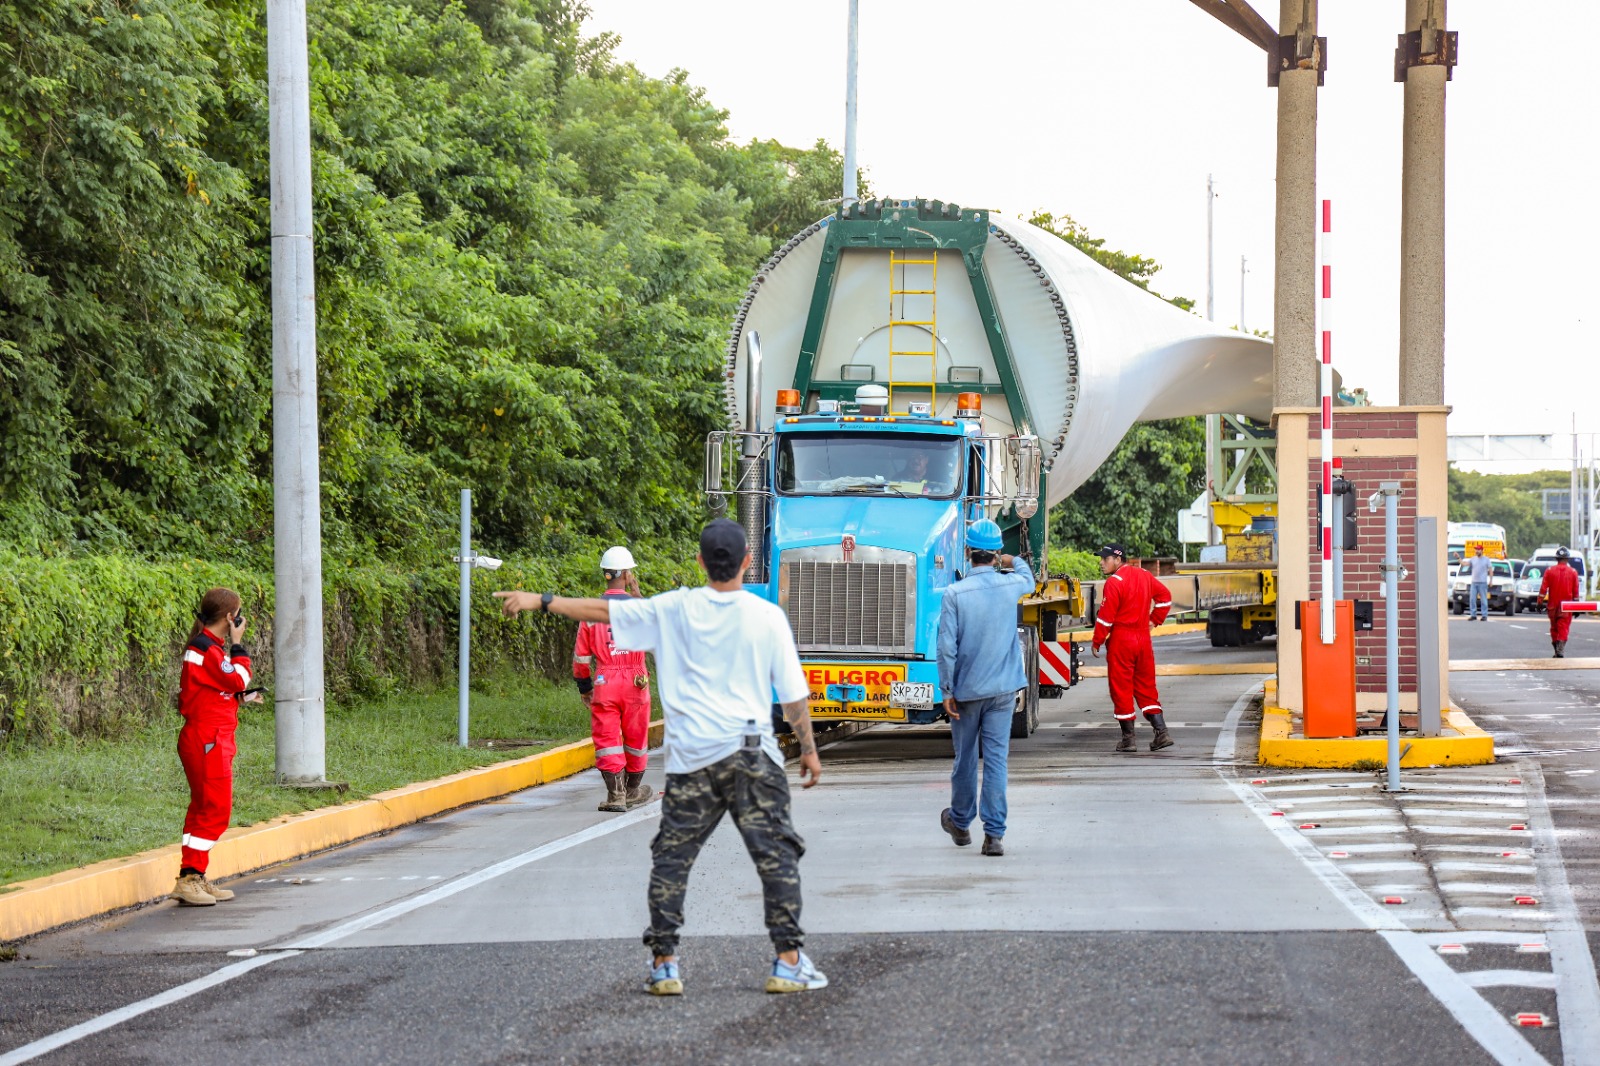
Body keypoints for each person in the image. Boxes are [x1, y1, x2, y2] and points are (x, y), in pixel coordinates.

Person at [494, 519, 826, 997]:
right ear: (748, 563)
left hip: (692, 763)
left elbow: (602, 611)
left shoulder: (674, 609)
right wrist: (809, 751)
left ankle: (665, 964)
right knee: (776, 858)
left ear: (699, 562)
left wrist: (541, 600)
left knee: (672, 861)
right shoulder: (767, 616)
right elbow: (794, 698)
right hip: (752, 757)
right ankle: (788, 963)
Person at [936, 518, 1033, 858]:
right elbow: (1029, 578)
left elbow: (946, 648)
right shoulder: (1011, 585)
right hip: (1003, 691)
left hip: (966, 692)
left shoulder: (954, 594)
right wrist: (1010, 560)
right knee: (996, 761)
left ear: (967, 552)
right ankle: (994, 836)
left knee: (965, 760)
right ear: (995, 554)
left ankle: (961, 823)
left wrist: (946, 690)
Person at [170, 587, 263, 907]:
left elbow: (216, 689)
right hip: (208, 739)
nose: (240, 619)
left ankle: (193, 875)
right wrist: (239, 644)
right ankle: (190, 879)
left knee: (203, 808)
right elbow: (238, 678)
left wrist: (240, 697)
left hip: (211, 737)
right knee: (215, 810)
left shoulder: (207, 648)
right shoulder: (207, 648)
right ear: (229, 617)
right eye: (238, 613)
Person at [573, 546, 654, 813]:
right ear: (627, 574)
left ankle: (615, 795)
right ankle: (633, 790)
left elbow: (581, 658)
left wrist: (585, 688)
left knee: (607, 737)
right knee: (636, 735)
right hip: (635, 679)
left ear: (605, 574)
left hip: (605, 681)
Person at [1090, 545, 1174, 752]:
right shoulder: (1145, 575)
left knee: (1121, 688)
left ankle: (1129, 739)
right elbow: (1165, 598)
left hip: (1122, 640)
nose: (1101, 563)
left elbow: (1106, 617)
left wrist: (1097, 641)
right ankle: (1161, 733)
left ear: (1118, 560)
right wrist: (1154, 620)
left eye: (1105, 559)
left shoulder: (1114, 582)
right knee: (1146, 686)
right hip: (1143, 640)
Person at [1538, 547, 1581, 658]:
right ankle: (1560, 649)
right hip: (1567, 606)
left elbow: (1543, 589)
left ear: (1557, 559)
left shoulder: (1549, 571)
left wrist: (1539, 602)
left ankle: (1557, 649)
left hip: (1553, 606)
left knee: (1554, 628)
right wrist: (1576, 608)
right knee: (1563, 627)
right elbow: (1575, 592)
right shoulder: (1573, 572)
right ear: (1567, 559)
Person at [1465, 545, 1491, 621]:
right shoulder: (1473, 559)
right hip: (1474, 582)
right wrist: (1458, 558)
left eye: (1478, 549)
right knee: (1472, 599)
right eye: (1476, 549)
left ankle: (1484, 615)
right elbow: (1464, 564)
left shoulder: (1486, 559)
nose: (1477, 551)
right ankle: (1473, 615)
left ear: (1482, 550)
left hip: (1482, 583)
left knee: (1483, 600)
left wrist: (1491, 580)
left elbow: (1490, 569)